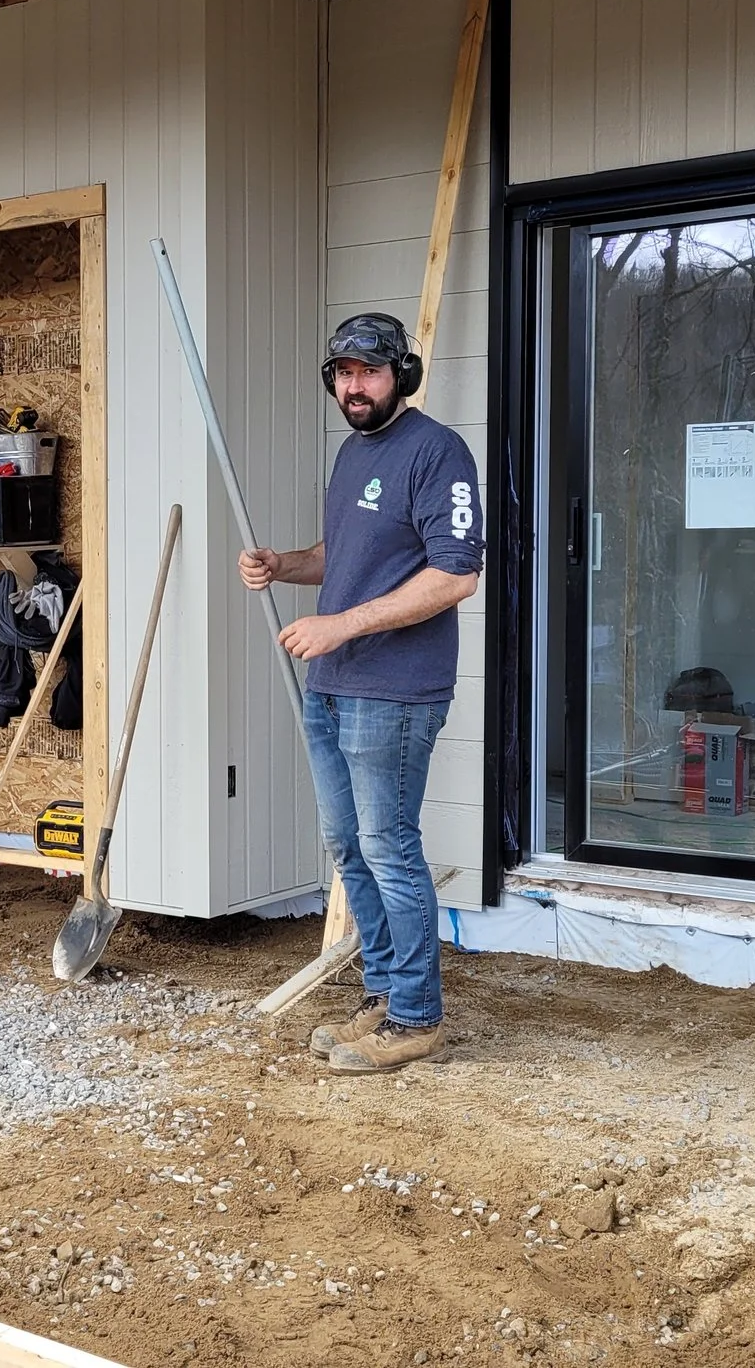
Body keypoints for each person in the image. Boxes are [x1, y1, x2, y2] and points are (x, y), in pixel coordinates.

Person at [239, 312, 485, 1074]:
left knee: (389, 847)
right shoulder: (352, 454)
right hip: (334, 685)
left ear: (399, 377)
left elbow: (456, 575)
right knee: (348, 844)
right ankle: (383, 993)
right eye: (343, 373)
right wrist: (284, 564)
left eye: (369, 372)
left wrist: (340, 625)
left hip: (395, 693)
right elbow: (342, 554)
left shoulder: (437, 453)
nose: (354, 386)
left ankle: (416, 1016)